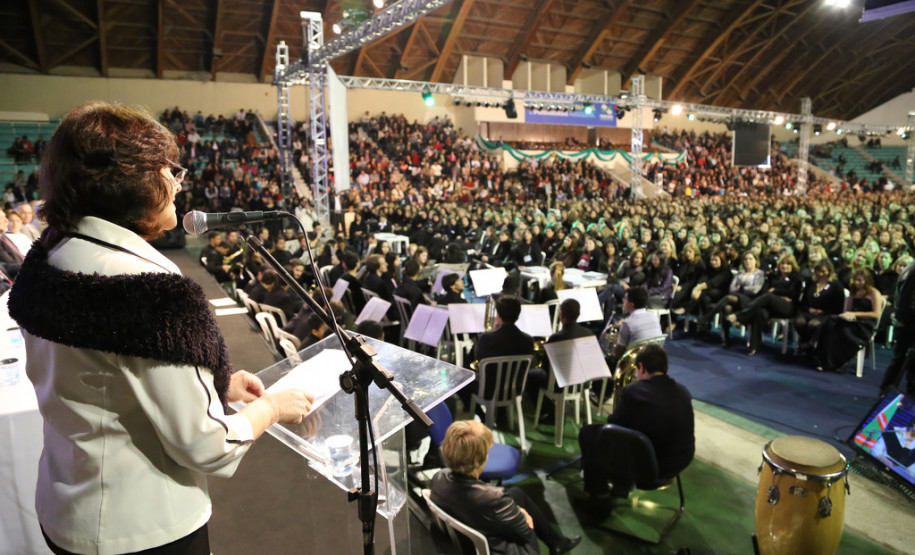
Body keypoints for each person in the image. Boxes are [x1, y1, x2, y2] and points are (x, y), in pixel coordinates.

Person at [7, 101, 314, 555]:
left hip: (67, 504)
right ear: (129, 182)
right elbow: (208, 444)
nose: (176, 181)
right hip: (141, 528)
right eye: (168, 169)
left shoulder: (51, 254)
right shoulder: (151, 290)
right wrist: (272, 409)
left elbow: (106, 373)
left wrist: (216, 384)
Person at [430, 420, 580, 555]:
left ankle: (556, 542)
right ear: (477, 460)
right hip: (498, 548)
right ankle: (556, 543)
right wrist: (522, 515)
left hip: (468, 528)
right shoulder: (494, 499)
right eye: (487, 451)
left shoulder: (438, 478)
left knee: (516, 493)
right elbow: (525, 532)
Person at [577, 344, 694, 500]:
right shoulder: (683, 391)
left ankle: (598, 495)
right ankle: (621, 487)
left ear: (642, 367)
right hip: (679, 463)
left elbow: (611, 426)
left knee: (589, 434)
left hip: (652, 469)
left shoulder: (634, 392)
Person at [727, 254, 803, 356]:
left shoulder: (796, 277)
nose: (785, 266)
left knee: (768, 297)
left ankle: (740, 315)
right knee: (760, 312)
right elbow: (764, 291)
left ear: (793, 265)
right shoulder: (773, 276)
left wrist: (775, 290)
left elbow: (793, 294)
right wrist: (781, 294)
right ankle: (753, 346)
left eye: (788, 263)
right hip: (770, 306)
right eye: (783, 263)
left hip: (787, 308)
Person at [814, 268, 883, 373]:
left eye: (860, 280)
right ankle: (825, 360)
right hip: (850, 321)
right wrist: (847, 313)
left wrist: (855, 314)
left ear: (867, 280)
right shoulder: (853, 292)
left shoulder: (874, 293)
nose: (857, 283)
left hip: (865, 324)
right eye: (855, 280)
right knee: (830, 322)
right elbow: (846, 311)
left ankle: (836, 361)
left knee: (838, 327)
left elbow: (876, 314)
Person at [882, 260, 915, 395]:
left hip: (905, 318)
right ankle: (887, 389)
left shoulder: (910, 269)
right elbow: (904, 296)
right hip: (909, 320)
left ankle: (890, 389)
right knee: (901, 358)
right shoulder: (911, 271)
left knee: (902, 358)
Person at [612, 286, 663, 362]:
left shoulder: (627, 323)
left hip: (635, 362)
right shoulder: (654, 316)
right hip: (654, 359)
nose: (623, 301)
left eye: (625, 299)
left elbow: (619, 353)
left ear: (631, 305)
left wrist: (615, 345)